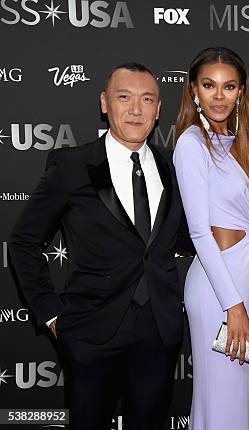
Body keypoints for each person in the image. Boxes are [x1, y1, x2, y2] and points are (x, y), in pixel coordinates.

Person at [9, 63, 192, 429]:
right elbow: (23, 242)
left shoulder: (173, 166)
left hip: (158, 332)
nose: (136, 110)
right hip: (90, 332)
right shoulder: (72, 166)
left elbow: (184, 238)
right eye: (124, 98)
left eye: (147, 100)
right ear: (105, 103)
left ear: (158, 110)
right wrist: (51, 314)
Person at [173, 47, 249, 430]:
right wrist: (233, 305)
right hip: (220, 291)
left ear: (241, 92)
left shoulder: (243, 143)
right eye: (209, 86)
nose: (219, 96)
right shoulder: (192, 144)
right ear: (193, 90)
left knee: (243, 396)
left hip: (248, 286)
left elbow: (246, 218)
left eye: (228, 86)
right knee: (221, 398)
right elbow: (199, 230)